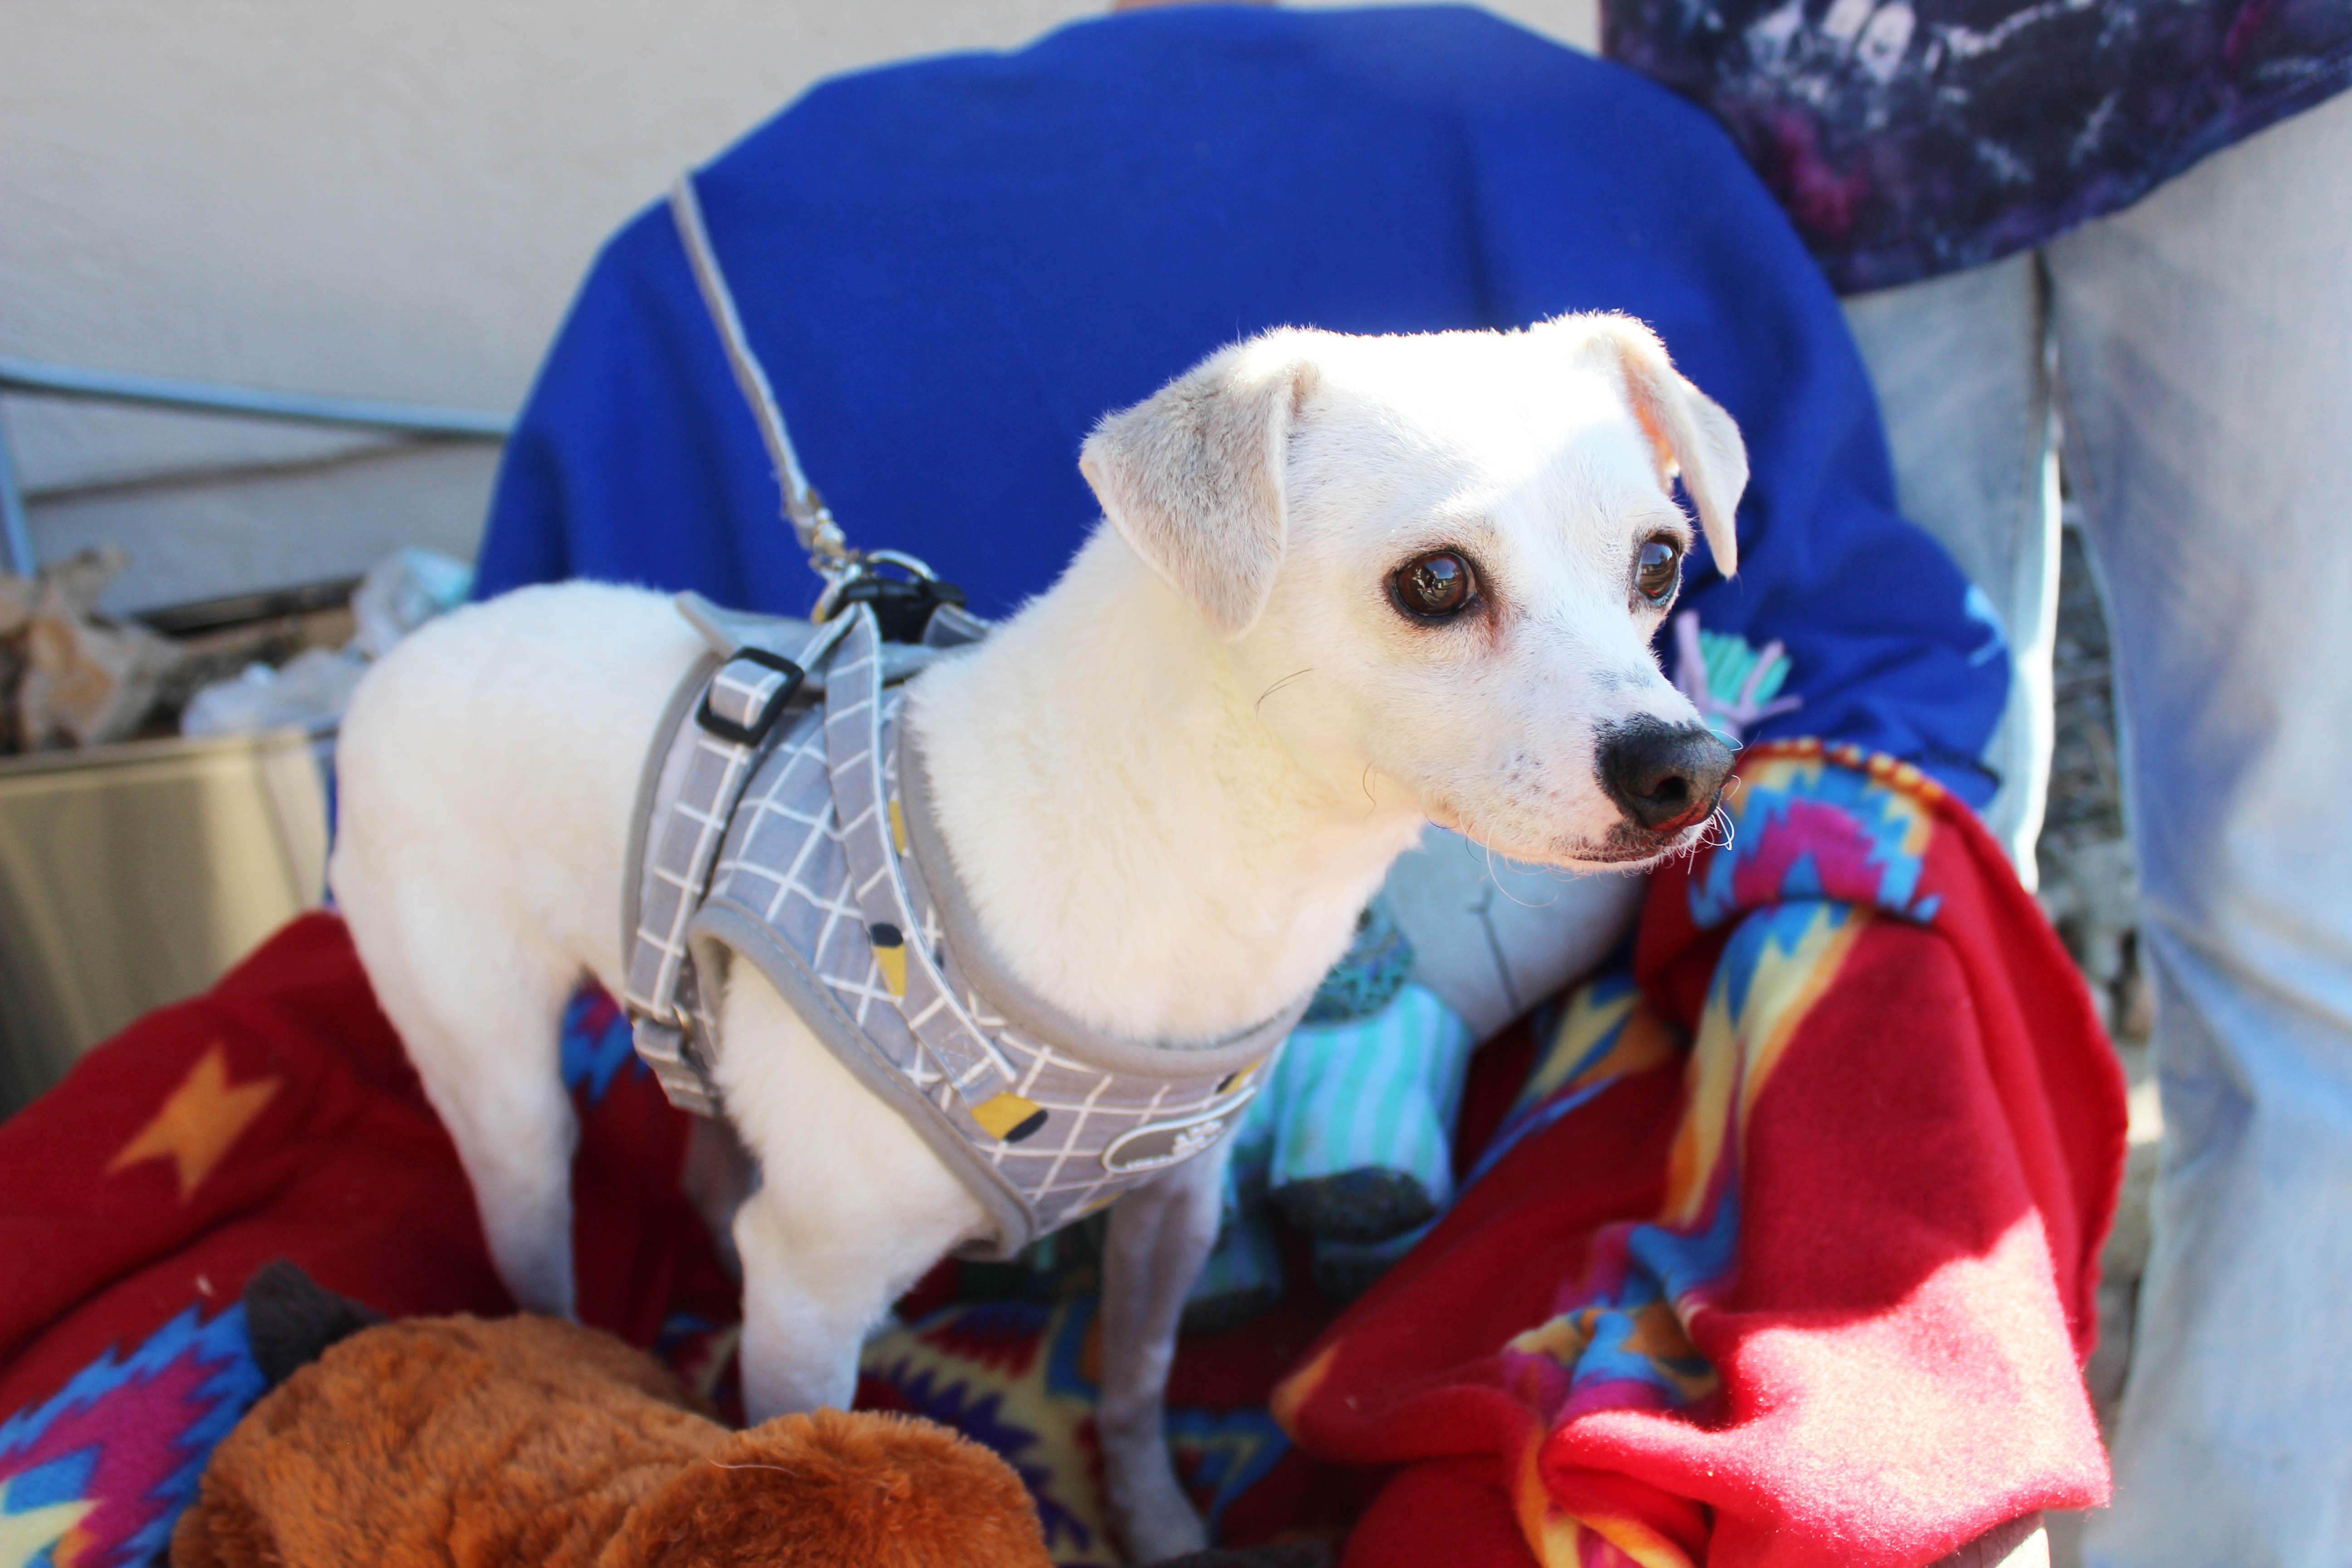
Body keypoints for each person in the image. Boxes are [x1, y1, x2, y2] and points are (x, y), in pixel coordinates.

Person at [1600, 5, 2352, 1564]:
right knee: (1856, 888)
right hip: (1811, 80)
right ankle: (1907, 1506)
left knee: (2298, 908)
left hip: (2265, 62)